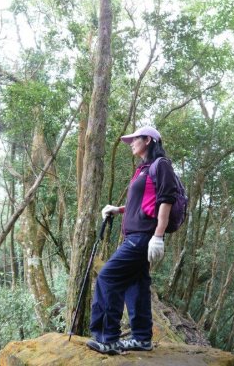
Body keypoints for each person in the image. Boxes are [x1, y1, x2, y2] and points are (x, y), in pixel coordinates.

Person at [86, 125, 178, 356]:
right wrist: (119, 209)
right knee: (136, 285)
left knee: (108, 277)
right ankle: (141, 338)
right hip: (137, 234)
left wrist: (158, 235)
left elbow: (166, 200)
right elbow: (144, 203)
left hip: (144, 236)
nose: (131, 144)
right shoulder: (143, 169)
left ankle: (108, 339)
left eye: (135, 140)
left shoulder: (161, 165)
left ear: (148, 140)